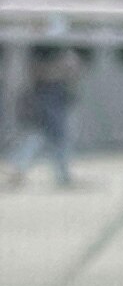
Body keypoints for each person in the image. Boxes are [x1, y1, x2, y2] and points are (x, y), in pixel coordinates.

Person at [3, 42, 80, 188]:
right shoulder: (43, 53)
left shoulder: (60, 54)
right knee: (48, 136)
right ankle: (59, 174)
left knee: (47, 137)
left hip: (56, 96)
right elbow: (38, 72)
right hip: (46, 96)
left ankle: (21, 168)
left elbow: (71, 72)